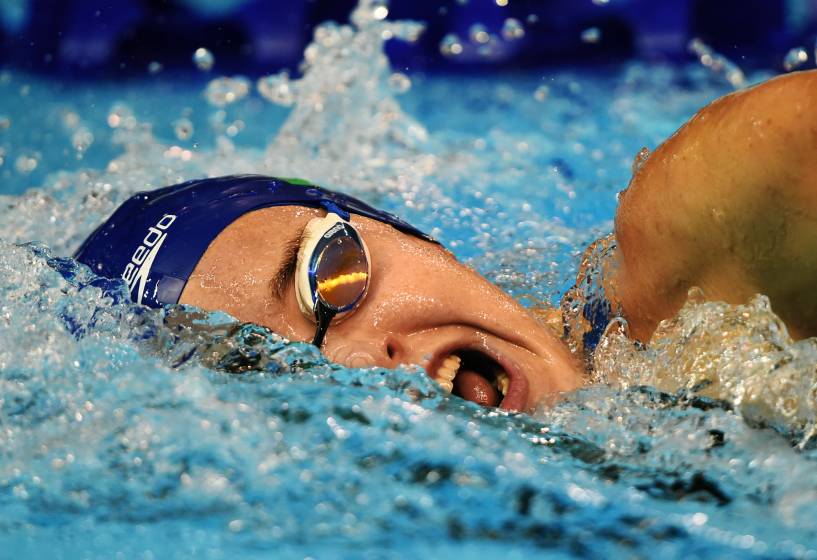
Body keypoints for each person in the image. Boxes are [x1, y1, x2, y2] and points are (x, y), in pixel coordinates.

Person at [75, 70, 817, 412]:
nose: (362, 363)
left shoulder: (702, 255)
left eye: (328, 277)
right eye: (271, 375)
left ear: (420, 240)